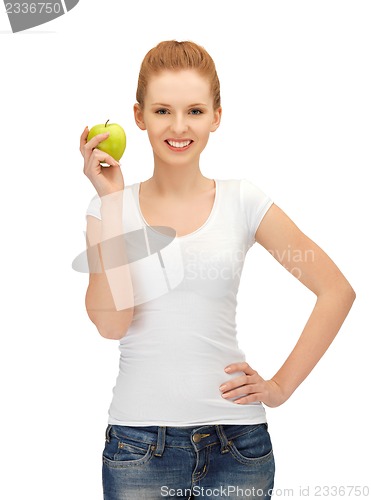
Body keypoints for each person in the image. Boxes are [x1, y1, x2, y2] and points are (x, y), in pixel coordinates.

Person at [79, 40, 355, 500]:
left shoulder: (242, 200)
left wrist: (280, 387)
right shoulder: (106, 209)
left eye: (195, 110)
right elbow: (113, 323)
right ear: (139, 115)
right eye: (163, 110)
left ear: (216, 116)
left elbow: (335, 291)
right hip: (138, 447)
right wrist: (111, 204)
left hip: (238, 445)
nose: (180, 126)